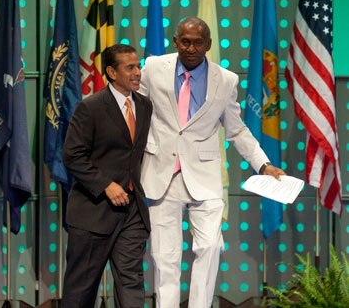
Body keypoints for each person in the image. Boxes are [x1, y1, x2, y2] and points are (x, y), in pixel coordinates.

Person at [138, 17, 285, 308]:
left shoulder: (226, 79)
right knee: (164, 257)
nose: (190, 48)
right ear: (175, 41)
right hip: (159, 175)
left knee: (209, 246)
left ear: (209, 44)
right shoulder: (153, 68)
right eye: (184, 41)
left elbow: (237, 129)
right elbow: (135, 113)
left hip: (204, 178)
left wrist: (263, 165)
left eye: (197, 42)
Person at [61, 44, 153, 307]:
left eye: (138, 66)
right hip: (94, 212)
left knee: (131, 283)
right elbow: (72, 155)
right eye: (130, 67)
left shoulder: (145, 105)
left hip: (132, 212)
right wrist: (105, 185)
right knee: (81, 290)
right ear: (111, 72)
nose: (137, 72)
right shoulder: (90, 107)